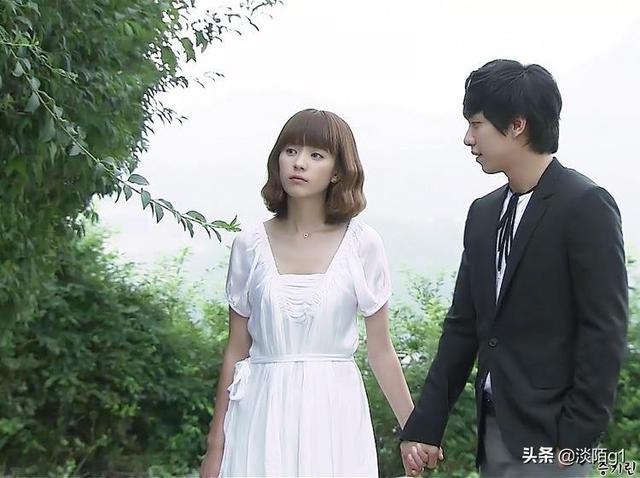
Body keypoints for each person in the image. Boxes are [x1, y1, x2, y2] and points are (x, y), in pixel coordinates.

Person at [399, 60, 628, 477]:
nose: (468, 138)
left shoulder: (585, 205)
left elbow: (604, 332)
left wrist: (574, 440)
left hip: (554, 438)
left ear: (517, 125)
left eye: (477, 124)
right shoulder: (484, 213)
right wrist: (426, 425)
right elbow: (463, 326)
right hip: (494, 429)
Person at [199, 108, 417, 477]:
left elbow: (380, 350)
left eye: (316, 155)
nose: (299, 163)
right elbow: (236, 350)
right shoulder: (249, 244)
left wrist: (415, 430)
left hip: (334, 413)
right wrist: (216, 446)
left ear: (337, 171)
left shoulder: (363, 244)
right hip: (260, 413)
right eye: (291, 151)